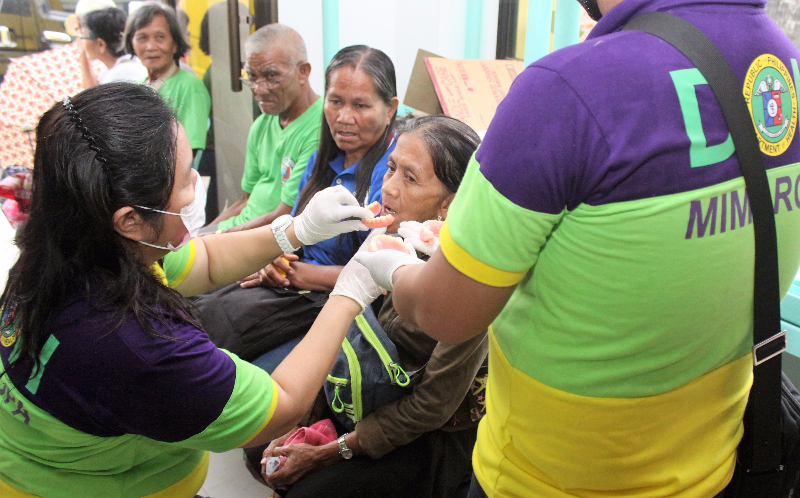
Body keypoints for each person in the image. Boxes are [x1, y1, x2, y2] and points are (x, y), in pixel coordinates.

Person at [354, 0, 800, 497]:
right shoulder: (783, 64)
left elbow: (445, 314)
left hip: (548, 482)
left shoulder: (567, 90)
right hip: (708, 471)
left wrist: (390, 266)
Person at [0, 82, 381, 498]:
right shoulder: (138, 346)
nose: (197, 184)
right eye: (185, 180)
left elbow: (206, 260)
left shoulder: (69, 245)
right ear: (130, 219)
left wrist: (295, 230)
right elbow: (284, 404)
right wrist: (351, 289)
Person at [256, 115, 487, 498]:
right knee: (265, 446)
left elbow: (431, 407)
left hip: (430, 432)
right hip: (369, 390)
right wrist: (301, 416)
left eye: (410, 178)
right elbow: (348, 337)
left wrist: (330, 452)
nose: (390, 187)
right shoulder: (389, 235)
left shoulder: (468, 285)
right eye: (391, 168)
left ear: (448, 205)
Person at [193, 44, 398, 361]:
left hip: (333, 302)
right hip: (292, 283)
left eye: (361, 105)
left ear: (391, 109)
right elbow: (294, 230)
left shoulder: (391, 176)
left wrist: (299, 274)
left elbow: (382, 277)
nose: (344, 118)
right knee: (196, 303)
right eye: (335, 102)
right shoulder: (322, 160)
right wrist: (276, 259)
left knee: (213, 327)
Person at [212, 24, 322, 232]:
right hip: (235, 233)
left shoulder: (319, 129)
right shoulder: (261, 125)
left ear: (303, 72)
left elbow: (284, 216)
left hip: (263, 237)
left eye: (271, 76)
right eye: (252, 76)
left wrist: (218, 239)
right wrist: (204, 233)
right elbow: (245, 200)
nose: (259, 89)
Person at [125, 2, 210, 156]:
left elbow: (190, 151)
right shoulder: (138, 87)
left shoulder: (190, 86)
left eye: (160, 37)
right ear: (131, 43)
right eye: (142, 38)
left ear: (175, 43)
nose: (151, 46)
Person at [78, 7, 147, 88]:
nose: (81, 42)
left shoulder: (121, 75)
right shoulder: (111, 68)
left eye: (83, 37)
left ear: (101, 44)